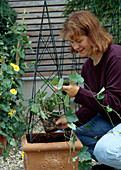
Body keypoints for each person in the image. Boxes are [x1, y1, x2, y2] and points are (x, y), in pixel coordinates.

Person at [54, 10, 121, 169]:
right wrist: (70, 120)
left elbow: (114, 103)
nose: (75, 47)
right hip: (111, 121)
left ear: (93, 34)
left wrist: (79, 93)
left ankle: (109, 159)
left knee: (106, 150)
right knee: (66, 139)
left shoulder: (116, 58)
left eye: (78, 40)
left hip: (117, 116)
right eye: (72, 42)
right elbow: (92, 107)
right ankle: (111, 163)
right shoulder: (87, 67)